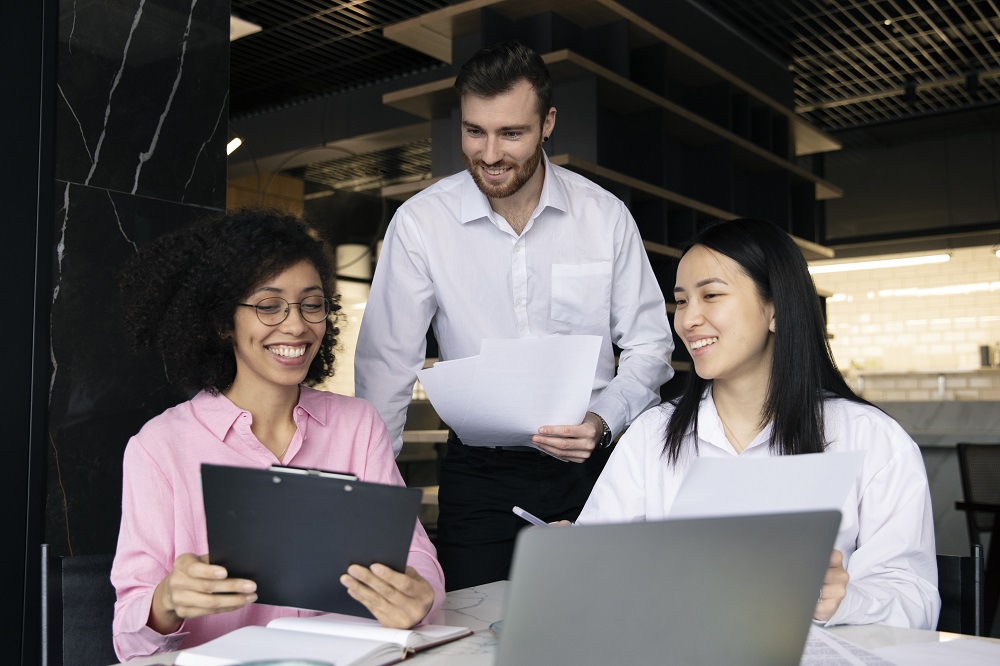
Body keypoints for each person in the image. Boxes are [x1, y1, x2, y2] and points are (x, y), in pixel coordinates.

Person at [355, 40, 674, 590]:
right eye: (475, 131)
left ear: (548, 122)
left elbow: (649, 346)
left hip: (592, 468)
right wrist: (370, 499)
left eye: (512, 133)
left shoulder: (604, 217)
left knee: (598, 620)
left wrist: (603, 423)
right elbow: (386, 367)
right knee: (475, 627)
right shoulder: (420, 224)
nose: (490, 153)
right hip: (481, 477)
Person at [111, 208, 445, 661]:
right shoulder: (159, 447)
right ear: (222, 321)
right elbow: (129, 636)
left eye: (312, 304)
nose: (296, 325)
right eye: (268, 305)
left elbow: (417, 555)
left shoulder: (357, 426)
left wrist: (419, 594)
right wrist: (167, 601)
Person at [577, 218, 940, 629]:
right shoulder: (651, 435)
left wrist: (846, 600)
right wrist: (574, 559)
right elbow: (598, 573)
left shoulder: (871, 439)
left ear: (776, 310)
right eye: (681, 301)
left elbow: (916, 600)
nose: (688, 320)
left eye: (711, 295)